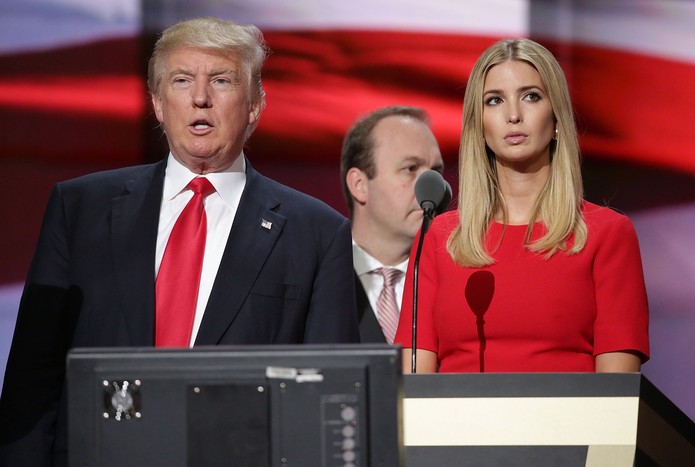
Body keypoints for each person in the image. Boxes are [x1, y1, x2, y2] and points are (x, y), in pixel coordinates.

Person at [0, 17, 359, 466]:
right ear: (157, 102)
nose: (200, 97)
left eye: (222, 80)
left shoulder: (318, 232)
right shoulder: (80, 208)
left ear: (254, 105)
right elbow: (32, 380)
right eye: (182, 80)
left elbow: (325, 394)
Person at [394, 38, 649, 373]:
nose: (513, 115)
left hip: (566, 426)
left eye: (531, 96)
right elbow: (411, 387)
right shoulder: (439, 238)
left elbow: (617, 398)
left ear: (557, 118)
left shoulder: (608, 234)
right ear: (479, 126)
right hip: (458, 426)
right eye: (494, 100)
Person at [341, 106, 444, 343]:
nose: (432, 188)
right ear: (359, 184)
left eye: (436, 172)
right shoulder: (317, 279)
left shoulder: (455, 282)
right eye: (411, 169)